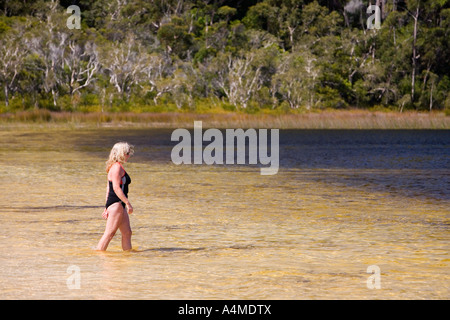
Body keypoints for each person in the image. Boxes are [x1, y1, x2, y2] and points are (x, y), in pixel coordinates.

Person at [96, 142, 134, 251]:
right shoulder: (116, 168)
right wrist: (127, 203)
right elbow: (116, 188)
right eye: (127, 153)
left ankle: (127, 256)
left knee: (127, 233)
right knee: (109, 234)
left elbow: (109, 188)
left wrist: (106, 207)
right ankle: (98, 255)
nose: (129, 155)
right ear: (121, 153)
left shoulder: (117, 167)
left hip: (117, 204)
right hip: (117, 203)